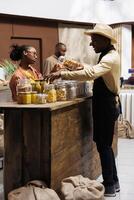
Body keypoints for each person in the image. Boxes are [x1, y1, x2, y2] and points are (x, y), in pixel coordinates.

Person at [45, 24, 121, 197]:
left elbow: (93, 73)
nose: (91, 44)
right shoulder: (107, 55)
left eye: (94, 40)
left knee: (103, 145)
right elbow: (94, 69)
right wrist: (80, 65)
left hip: (106, 105)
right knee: (105, 145)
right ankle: (113, 182)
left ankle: (109, 185)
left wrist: (62, 74)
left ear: (104, 39)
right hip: (105, 104)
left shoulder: (110, 57)